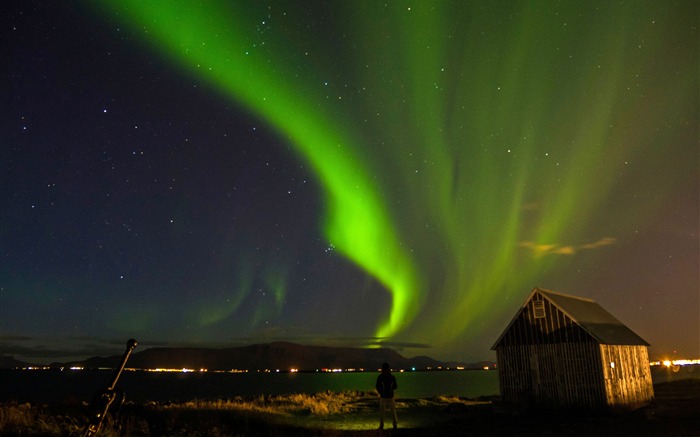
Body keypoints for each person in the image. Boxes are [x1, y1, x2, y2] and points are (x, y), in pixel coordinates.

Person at [375, 362, 398, 430]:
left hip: (383, 396)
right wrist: (391, 389)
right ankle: (395, 425)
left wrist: (381, 392)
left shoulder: (380, 377)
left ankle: (381, 426)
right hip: (390, 396)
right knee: (393, 411)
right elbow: (395, 386)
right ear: (388, 368)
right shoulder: (392, 377)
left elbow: (377, 386)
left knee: (382, 412)